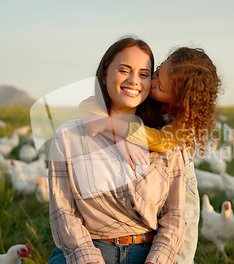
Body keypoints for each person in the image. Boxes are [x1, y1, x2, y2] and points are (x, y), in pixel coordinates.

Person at [48, 37, 186, 264]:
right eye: (124, 70)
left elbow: (175, 217)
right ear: (104, 74)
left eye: (143, 74)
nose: (133, 81)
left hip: (148, 252)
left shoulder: (165, 141)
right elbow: (63, 213)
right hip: (86, 250)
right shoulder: (70, 136)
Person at [78, 46, 221, 264]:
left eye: (160, 85)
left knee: (179, 246)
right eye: (155, 74)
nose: (151, 83)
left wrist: (115, 126)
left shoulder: (184, 124)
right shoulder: (145, 95)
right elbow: (88, 104)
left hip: (181, 183)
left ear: (179, 99)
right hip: (144, 184)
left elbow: (162, 141)